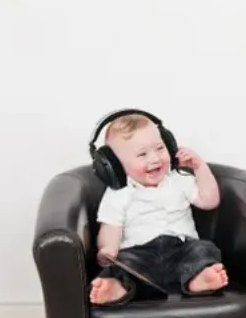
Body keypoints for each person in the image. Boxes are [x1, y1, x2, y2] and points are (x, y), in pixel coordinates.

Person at [88, 113, 228, 306]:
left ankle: (199, 278)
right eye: (142, 154)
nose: (155, 158)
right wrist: (108, 248)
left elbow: (209, 201)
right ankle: (117, 287)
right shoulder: (118, 194)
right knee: (124, 264)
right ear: (115, 166)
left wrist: (200, 168)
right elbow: (111, 228)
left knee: (204, 249)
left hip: (182, 249)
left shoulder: (179, 179)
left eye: (160, 148)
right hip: (140, 254)